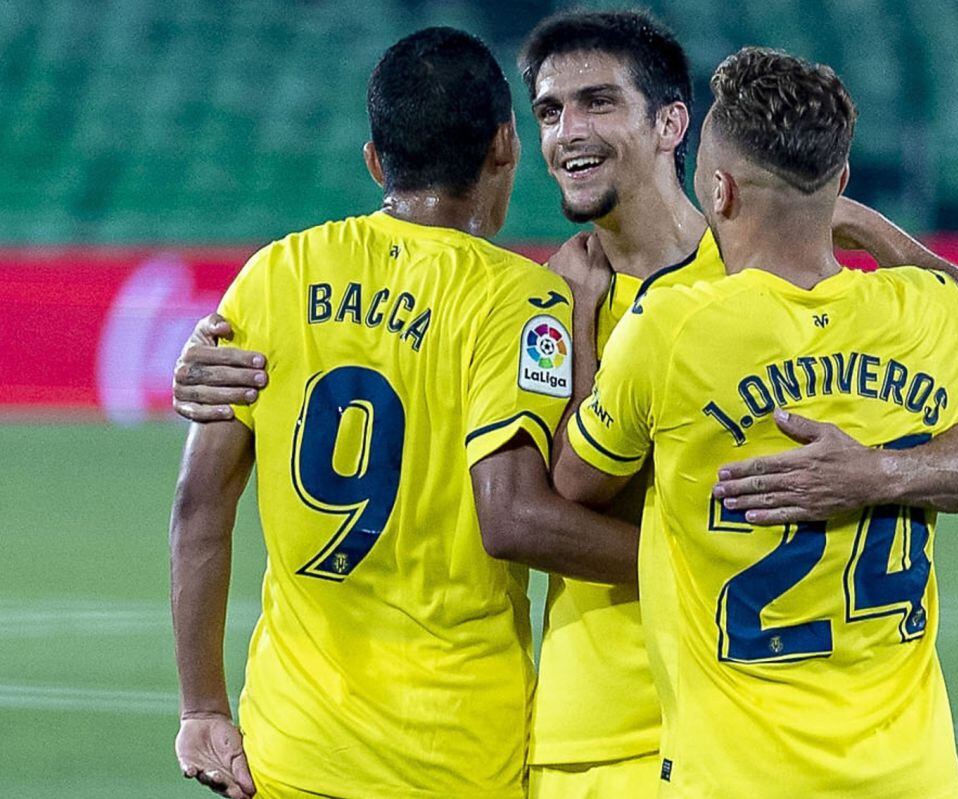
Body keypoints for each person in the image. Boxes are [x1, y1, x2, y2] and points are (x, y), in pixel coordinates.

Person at [173, 11, 958, 797]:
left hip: (748, 739)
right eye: (547, 111)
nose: (567, 132)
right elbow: (504, 486)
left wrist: (876, 472)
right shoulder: (537, 300)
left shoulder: (767, 287)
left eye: (597, 103)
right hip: (585, 738)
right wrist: (209, 371)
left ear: (671, 125)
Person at [169, 27, 637, 799]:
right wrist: (684, 557)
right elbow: (524, 507)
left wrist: (201, 706)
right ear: (504, 147)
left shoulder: (274, 275)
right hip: (453, 756)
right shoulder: (521, 299)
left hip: (291, 750)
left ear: (376, 161)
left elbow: (197, 506)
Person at [553, 46, 958, 798]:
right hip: (910, 776)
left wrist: (578, 316)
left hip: (737, 775)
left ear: (720, 189)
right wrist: (878, 234)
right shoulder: (919, 317)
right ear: (838, 183)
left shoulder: (673, 329)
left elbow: (574, 481)